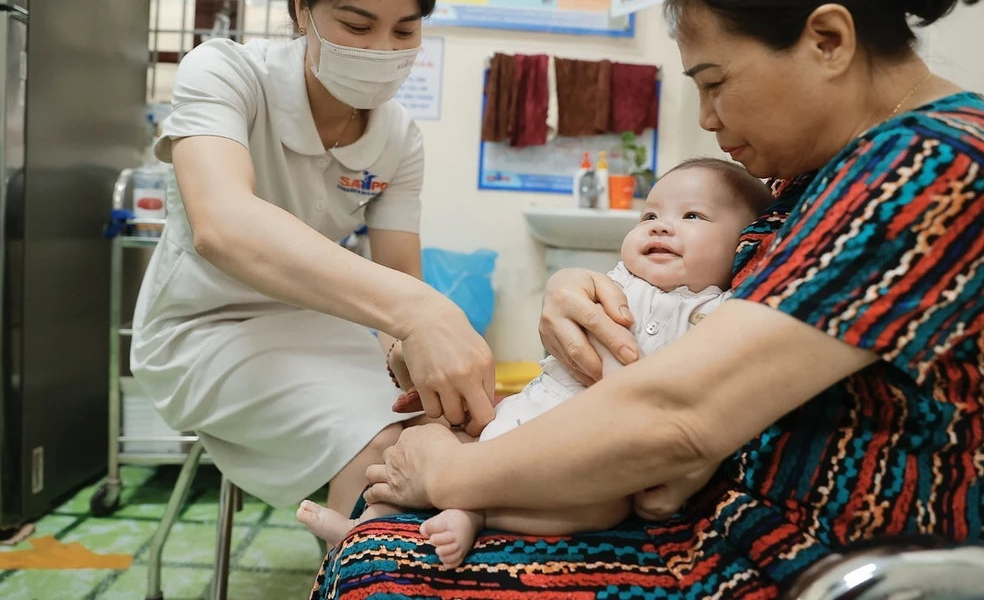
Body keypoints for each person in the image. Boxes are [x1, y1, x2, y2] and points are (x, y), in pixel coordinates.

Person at [313, 0, 984, 597]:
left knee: (387, 571)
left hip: (801, 556)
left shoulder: (929, 169)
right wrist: (574, 287)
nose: (708, 117)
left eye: (715, 83)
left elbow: (680, 413)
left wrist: (450, 476)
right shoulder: (829, 167)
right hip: (716, 511)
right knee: (382, 538)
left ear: (829, 41)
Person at [129, 0, 496, 520]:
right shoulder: (225, 73)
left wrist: (416, 358)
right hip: (206, 330)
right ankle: (362, 576)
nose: (381, 49)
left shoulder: (399, 138)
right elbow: (222, 226)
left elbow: (399, 278)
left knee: (442, 444)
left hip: (321, 324)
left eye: (405, 31)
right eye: (356, 25)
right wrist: (422, 314)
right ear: (302, 8)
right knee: (383, 451)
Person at [297, 158, 774, 568]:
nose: (660, 225)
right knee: (418, 435)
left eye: (693, 215)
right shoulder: (611, 284)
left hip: (586, 457)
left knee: (597, 508)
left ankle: (474, 512)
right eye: (649, 213)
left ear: (744, 245)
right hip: (518, 419)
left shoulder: (715, 313)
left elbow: (706, 404)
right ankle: (360, 527)